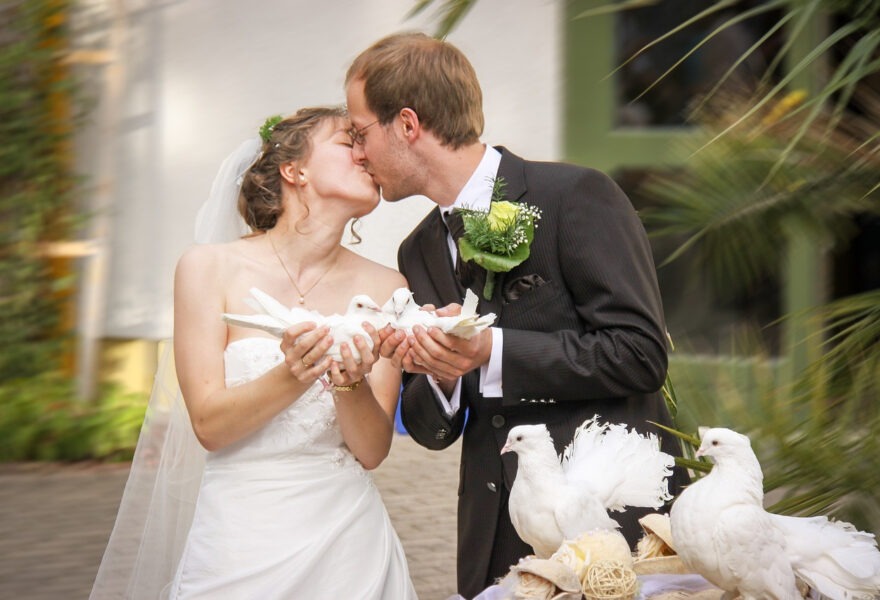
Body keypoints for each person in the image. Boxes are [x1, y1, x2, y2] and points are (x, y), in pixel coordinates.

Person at [345, 33, 688, 598]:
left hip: (610, 524)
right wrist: (443, 374)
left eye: (360, 133)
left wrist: (492, 350)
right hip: (497, 534)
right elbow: (433, 430)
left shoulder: (576, 196)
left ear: (407, 125)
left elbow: (641, 354)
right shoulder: (419, 249)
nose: (358, 152)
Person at [90, 107, 417, 599]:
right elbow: (209, 427)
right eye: (347, 140)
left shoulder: (387, 286)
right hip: (239, 538)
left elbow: (371, 451)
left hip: (348, 543)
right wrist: (297, 372)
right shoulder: (208, 269)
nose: (364, 152)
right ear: (295, 170)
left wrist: (347, 382)